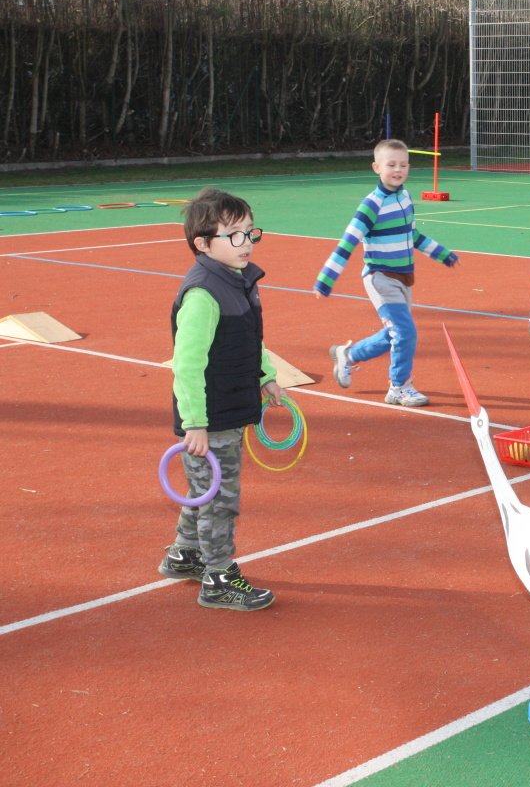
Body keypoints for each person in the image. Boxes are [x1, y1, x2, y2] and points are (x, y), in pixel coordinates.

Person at [159, 188, 280, 611]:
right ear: (204, 244)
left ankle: (185, 553)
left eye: (250, 232)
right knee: (219, 497)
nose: (247, 242)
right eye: (235, 235)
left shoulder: (237, 281)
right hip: (210, 419)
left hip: (229, 406)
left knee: (204, 490)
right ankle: (219, 577)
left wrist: (267, 376)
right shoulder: (203, 295)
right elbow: (186, 365)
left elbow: (249, 337)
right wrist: (195, 423)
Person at [315, 139, 461, 406]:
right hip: (380, 277)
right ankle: (399, 387)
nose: (398, 170)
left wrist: (440, 253)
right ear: (376, 167)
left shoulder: (405, 198)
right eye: (391, 165)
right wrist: (326, 278)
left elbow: (412, 234)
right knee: (405, 333)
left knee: (395, 333)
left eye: (403, 165)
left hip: (404, 277)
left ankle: (349, 355)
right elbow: (348, 242)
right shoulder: (371, 205)